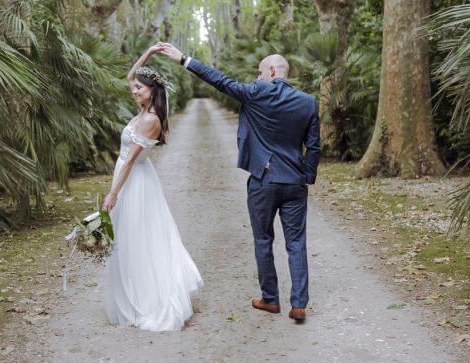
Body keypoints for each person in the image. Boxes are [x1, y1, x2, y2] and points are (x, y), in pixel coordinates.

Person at [158, 42, 320, 323]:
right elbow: (314, 146)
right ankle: (299, 305)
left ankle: (270, 299)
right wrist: (306, 175)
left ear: (272, 71)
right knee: (296, 243)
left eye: (259, 72)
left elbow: (220, 81)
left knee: (263, 239)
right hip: (295, 181)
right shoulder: (307, 102)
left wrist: (184, 59)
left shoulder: (256, 92)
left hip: (263, 179)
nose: (257, 77)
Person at [101, 44, 203, 331]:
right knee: (128, 238)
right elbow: (130, 75)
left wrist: (113, 193)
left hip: (136, 182)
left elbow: (131, 161)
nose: (134, 91)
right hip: (127, 177)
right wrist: (149, 52)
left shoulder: (150, 120)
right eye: (134, 88)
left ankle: (149, 298)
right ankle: (133, 293)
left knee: (140, 237)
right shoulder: (143, 109)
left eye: (139, 88)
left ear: (151, 91)